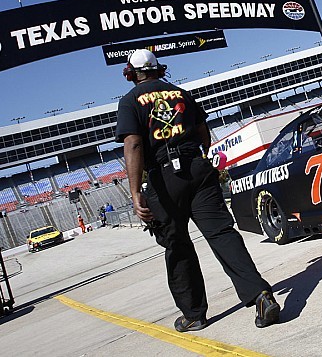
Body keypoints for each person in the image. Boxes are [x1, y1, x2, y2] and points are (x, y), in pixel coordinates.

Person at [115, 49, 279, 332]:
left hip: (164, 177)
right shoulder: (181, 93)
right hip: (198, 168)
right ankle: (260, 295)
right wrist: (203, 159)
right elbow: (203, 131)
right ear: (159, 70)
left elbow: (133, 144)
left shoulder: (129, 101)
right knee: (222, 234)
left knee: (177, 246)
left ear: (131, 74)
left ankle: (194, 314)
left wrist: (134, 192)